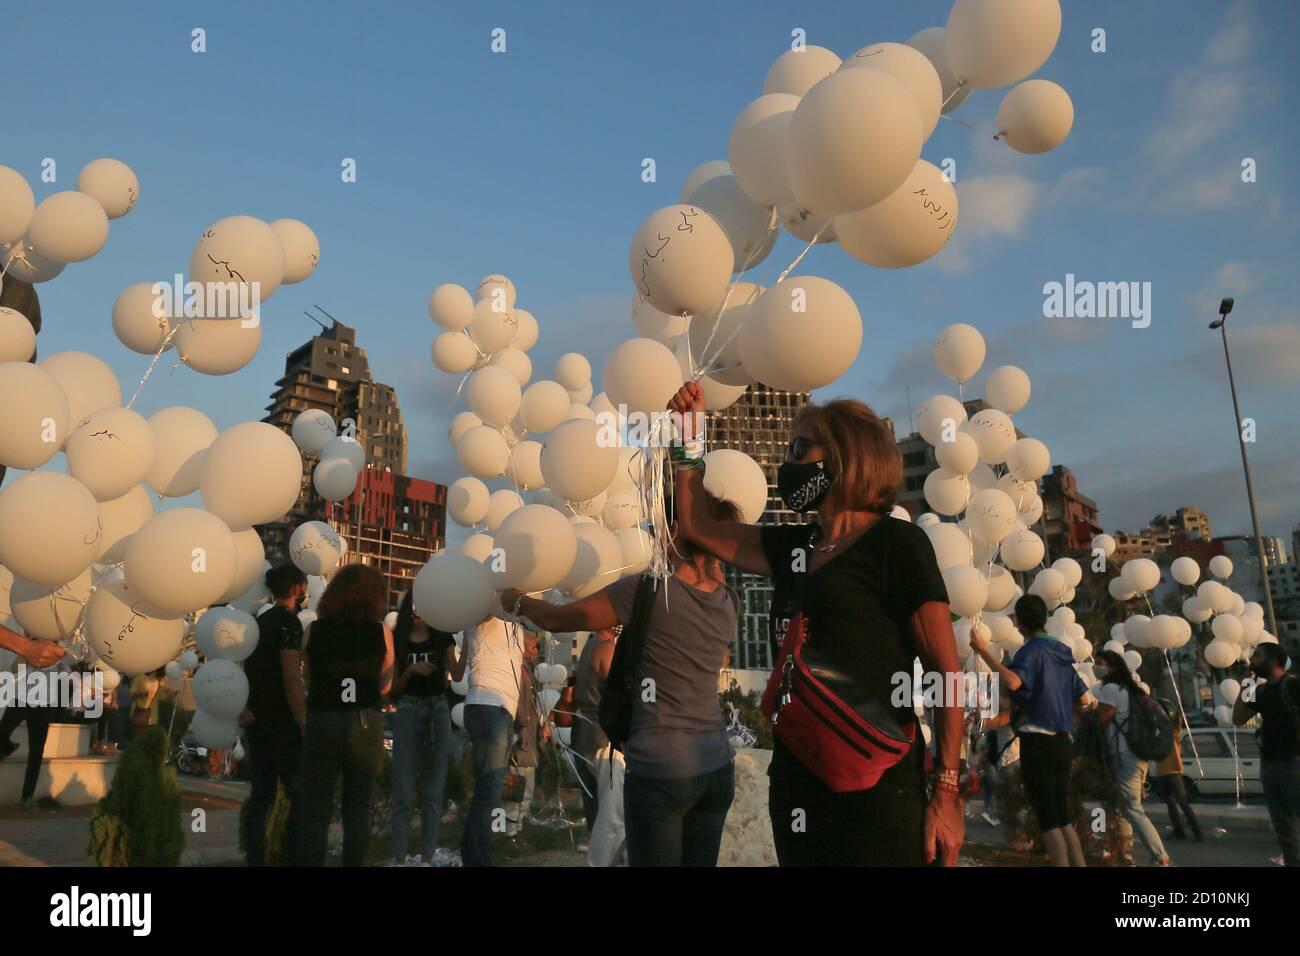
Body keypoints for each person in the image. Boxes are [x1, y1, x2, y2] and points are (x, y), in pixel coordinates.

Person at [667, 383, 965, 866]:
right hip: (798, 779)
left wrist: (947, 790)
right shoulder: (793, 547)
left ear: (847, 455)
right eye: (789, 449)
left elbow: (946, 675)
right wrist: (688, 438)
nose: (789, 461)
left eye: (801, 448)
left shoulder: (898, 545)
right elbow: (699, 527)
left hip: (879, 782)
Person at [503, 489, 742, 868]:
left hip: (661, 770)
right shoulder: (728, 599)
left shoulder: (646, 590)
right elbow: (710, 570)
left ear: (673, 530)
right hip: (715, 768)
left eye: (655, 527)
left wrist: (514, 600)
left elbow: (557, 618)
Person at [971, 594, 1089, 866]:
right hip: (1062, 742)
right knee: (1063, 817)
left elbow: (1013, 682)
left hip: (1038, 742)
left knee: (1048, 820)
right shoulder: (1061, 654)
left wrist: (982, 651)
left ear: (1020, 621)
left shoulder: (1031, 651)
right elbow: (1083, 698)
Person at [299, 564, 394, 867]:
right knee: (358, 805)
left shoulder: (315, 629)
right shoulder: (381, 632)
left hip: (323, 718)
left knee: (317, 804)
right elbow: (386, 684)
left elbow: (308, 677)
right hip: (364, 720)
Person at [388, 589, 464, 867]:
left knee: (433, 790)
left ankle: (427, 857)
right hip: (407, 708)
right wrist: (411, 671)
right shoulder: (398, 639)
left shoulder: (443, 636)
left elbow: (456, 675)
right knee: (403, 789)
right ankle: (399, 857)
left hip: (437, 709)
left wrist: (466, 644)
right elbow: (391, 690)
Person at [240, 564, 309, 867]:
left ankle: (255, 857)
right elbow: (291, 676)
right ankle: (292, 856)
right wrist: (303, 720)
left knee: (260, 797)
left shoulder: (260, 620)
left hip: (257, 719)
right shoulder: (288, 623)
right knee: (300, 797)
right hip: (281, 723)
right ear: (297, 588)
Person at [1093, 649, 1172, 866]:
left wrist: (1087, 713)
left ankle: (1161, 858)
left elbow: (1101, 720)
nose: (1095, 666)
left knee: (1132, 809)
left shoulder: (1110, 688)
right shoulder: (1129, 689)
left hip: (1123, 754)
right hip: (1135, 755)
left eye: (1100, 662)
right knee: (1119, 808)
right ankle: (1124, 855)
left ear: (1112, 667)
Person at [459, 613, 525, 866]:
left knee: (488, 789)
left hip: (497, 709)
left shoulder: (513, 624)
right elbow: (485, 608)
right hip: (489, 708)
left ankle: (471, 853)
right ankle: (477, 859)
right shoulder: (489, 617)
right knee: (489, 790)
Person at [1233, 642, 1299, 866]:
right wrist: (1246, 686)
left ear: (1272, 660)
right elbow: (1239, 718)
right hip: (1270, 765)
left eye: (1257, 656)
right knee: (1284, 828)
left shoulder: (1293, 686)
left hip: (1294, 763)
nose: (1252, 660)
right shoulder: (1260, 691)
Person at [0, 655, 68, 808]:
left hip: (43, 707)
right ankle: (8, 746)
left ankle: (26, 797)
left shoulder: (58, 657)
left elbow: (67, 675)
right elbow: (14, 669)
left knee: (36, 752)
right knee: (2, 731)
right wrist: (26, 654)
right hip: (21, 699)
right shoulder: (29, 650)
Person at [572, 627, 618, 842]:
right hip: (600, 729)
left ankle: (594, 837)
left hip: (584, 725)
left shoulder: (589, 645)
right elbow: (616, 688)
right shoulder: (606, 647)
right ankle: (605, 844)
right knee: (609, 793)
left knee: (592, 790)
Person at [505, 634, 544, 842]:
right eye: (533, 647)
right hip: (520, 732)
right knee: (517, 780)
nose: (536, 651)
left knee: (527, 780)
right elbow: (518, 704)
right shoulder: (514, 672)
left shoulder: (528, 671)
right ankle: (511, 830)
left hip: (530, 732)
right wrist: (524, 727)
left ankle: (518, 826)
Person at [1151, 706, 1202, 842]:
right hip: (1162, 772)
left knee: (1182, 802)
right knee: (1171, 803)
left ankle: (1196, 831)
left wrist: (1172, 714)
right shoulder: (1159, 733)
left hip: (1173, 772)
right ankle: (1179, 830)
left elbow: (1177, 721)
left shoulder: (1174, 732)